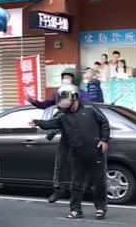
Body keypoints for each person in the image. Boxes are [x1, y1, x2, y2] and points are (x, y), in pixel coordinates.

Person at [31, 84, 110, 219]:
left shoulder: (90, 110)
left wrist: (104, 140)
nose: (65, 103)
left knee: (99, 182)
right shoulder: (63, 116)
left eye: (67, 99)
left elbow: (104, 123)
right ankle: (75, 210)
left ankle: (100, 208)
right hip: (76, 153)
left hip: (95, 151)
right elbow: (51, 123)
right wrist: (37, 122)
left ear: (75, 97)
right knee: (76, 183)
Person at [25, 67, 91, 203]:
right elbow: (46, 104)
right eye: (64, 77)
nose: (65, 79)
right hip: (65, 133)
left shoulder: (82, 94)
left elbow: (87, 109)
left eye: (69, 77)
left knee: (78, 163)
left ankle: (80, 189)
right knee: (60, 162)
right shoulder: (59, 93)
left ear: (75, 79)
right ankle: (58, 189)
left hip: (79, 133)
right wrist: (33, 101)